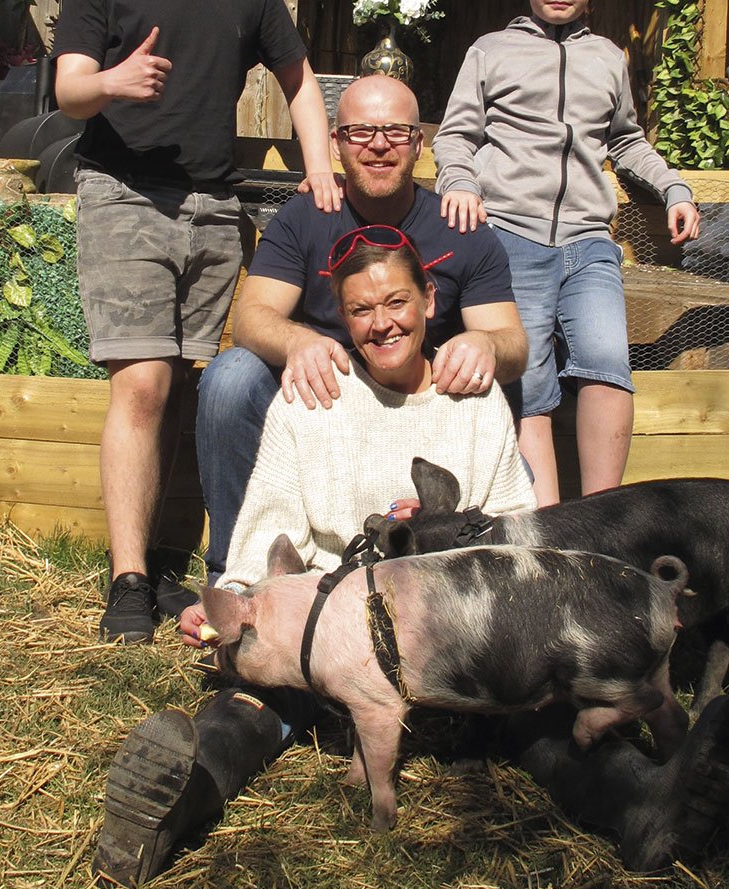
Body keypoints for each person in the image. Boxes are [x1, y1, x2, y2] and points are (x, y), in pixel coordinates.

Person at [93, 229, 537, 887]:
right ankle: (172, 803)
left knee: (548, 718)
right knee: (247, 703)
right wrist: (232, 606)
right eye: (361, 309)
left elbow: (518, 538)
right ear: (342, 317)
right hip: (325, 647)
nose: (381, 323)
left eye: (396, 302)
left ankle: (644, 799)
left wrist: (443, 530)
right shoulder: (314, 394)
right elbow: (268, 523)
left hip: (445, 644)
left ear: (429, 298)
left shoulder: (473, 398)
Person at [53, 0, 340, 644]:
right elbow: (68, 90)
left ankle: (162, 558)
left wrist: (320, 165)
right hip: (125, 195)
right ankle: (127, 583)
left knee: (183, 384)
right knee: (143, 384)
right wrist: (114, 81)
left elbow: (299, 79)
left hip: (214, 208)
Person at [194, 73, 528, 588]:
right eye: (360, 132)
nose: (378, 144)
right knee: (231, 378)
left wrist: (484, 343)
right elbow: (251, 317)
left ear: (418, 144)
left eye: (395, 131)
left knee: (514, 462)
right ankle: (237, 576)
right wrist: (299, 340)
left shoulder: (460, 227)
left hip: (429, 409)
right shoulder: (306, 216)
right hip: (326, 405)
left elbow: (514, 344)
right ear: (336, 143)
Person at [433, 0, 702, 505]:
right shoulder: (491, 51)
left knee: (608, 364)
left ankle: (606, 519)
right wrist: (460, 182)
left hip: (589, 242)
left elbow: (626, 140)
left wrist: (674, 188)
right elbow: (455, 136)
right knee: (526, 378)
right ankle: (549, 527)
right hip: (511, 237)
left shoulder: (607, 58)